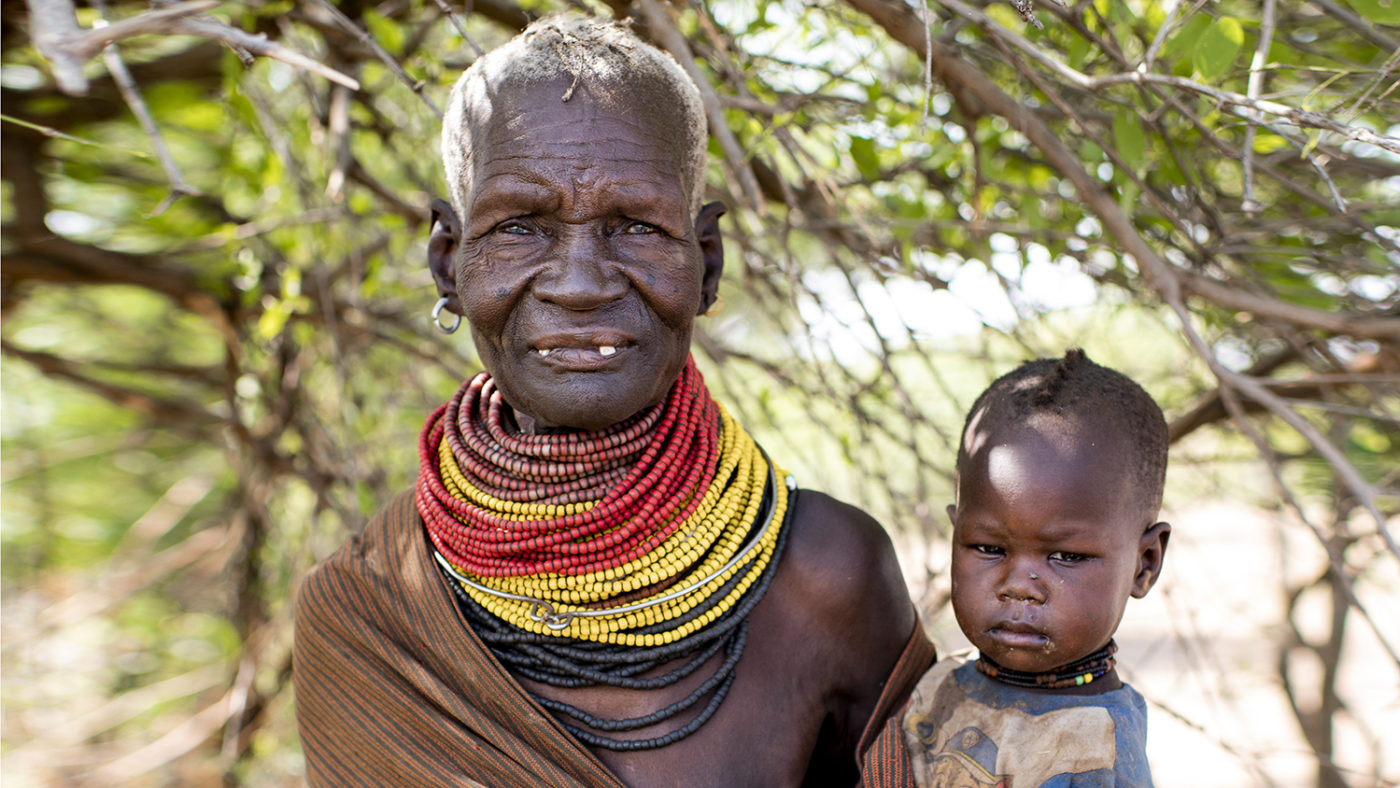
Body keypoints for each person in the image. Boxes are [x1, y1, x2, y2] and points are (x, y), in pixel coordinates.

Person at [292, 16, 934, 788]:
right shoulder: (366, 615)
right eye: (521, 227)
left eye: (634, 225)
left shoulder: (830, 575)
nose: (581, 281)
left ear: (705, 264)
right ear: (448, 264)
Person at [863, 349, 1170, 787]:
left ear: (1145, 564)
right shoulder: (938, 683)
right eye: (988, 547)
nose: (1017, 587)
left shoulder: (1093, 759)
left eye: (1066, 556)